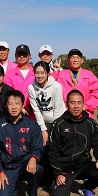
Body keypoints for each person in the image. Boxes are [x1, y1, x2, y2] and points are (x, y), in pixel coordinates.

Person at [48, 90, 98, 196]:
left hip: (82, 166)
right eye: (72, 102)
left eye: (79, 103)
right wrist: (58, 173)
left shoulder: (91, 123)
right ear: (67, 104)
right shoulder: (58, 124)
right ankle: (55, 183)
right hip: (64, 169)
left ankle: (86, 187)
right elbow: (52, 151)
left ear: (83, 104)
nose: (76, 106)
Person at [0, 90, 43, 196]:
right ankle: (13, 188)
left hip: (25, 164)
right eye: (10, 104)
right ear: (6, 106)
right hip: (8, 167)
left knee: (37, 168)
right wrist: (0, 173)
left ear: (22, 105)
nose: (14, 107)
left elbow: (38, 147)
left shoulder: (32, 125)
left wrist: (34, 158)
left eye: (17, 103)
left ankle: (31, 192)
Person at [28, 61, 65, 189]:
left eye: (42, 72)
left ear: (48, 73)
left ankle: (56, 178)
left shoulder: (56, 87)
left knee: (54, 150)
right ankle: (44, 180)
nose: (39, 75)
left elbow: (58, 110)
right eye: (37, 72)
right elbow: (36, 110)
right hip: (42, 123)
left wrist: (52, 131)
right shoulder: (31, 88)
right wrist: (43, 130)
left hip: (57, 121)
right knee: (42, 150)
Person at [52, 48, 98, 119]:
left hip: (85, 115)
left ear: (82, 60)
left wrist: (85, 107)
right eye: (72, 57)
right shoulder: (61, 75)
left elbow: (95, 94)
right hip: (65, 114)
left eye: (78, 57)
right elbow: (51, 88)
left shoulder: (89, 75)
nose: (75, 60)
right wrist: (55, 73)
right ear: (67, 60)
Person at [4, 44, 35, 119]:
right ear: (15, 56)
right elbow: (8, 93)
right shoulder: (9, 74)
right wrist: (19, 107)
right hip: (14, 114)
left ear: (29, 56)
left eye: (24, 54)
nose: (21, 57)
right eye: (19, 54)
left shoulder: (36, 73)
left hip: (33, 114)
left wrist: (30, 107)